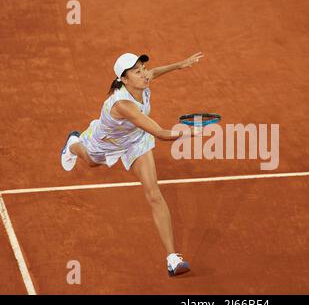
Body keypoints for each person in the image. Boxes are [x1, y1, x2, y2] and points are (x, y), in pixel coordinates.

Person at [60, 51, 204, 276]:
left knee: (154, 193)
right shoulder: (124, 105)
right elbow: (162, 134)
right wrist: (190, 132)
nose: (144, 74)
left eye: (142, 68)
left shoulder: (142, 81)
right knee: (90, 161)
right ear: (124, 80)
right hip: (107, 141)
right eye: (137, 72)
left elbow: (154, 72)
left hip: (136, 140)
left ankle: (172, 258)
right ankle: (73, 143)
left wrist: (180, 65)